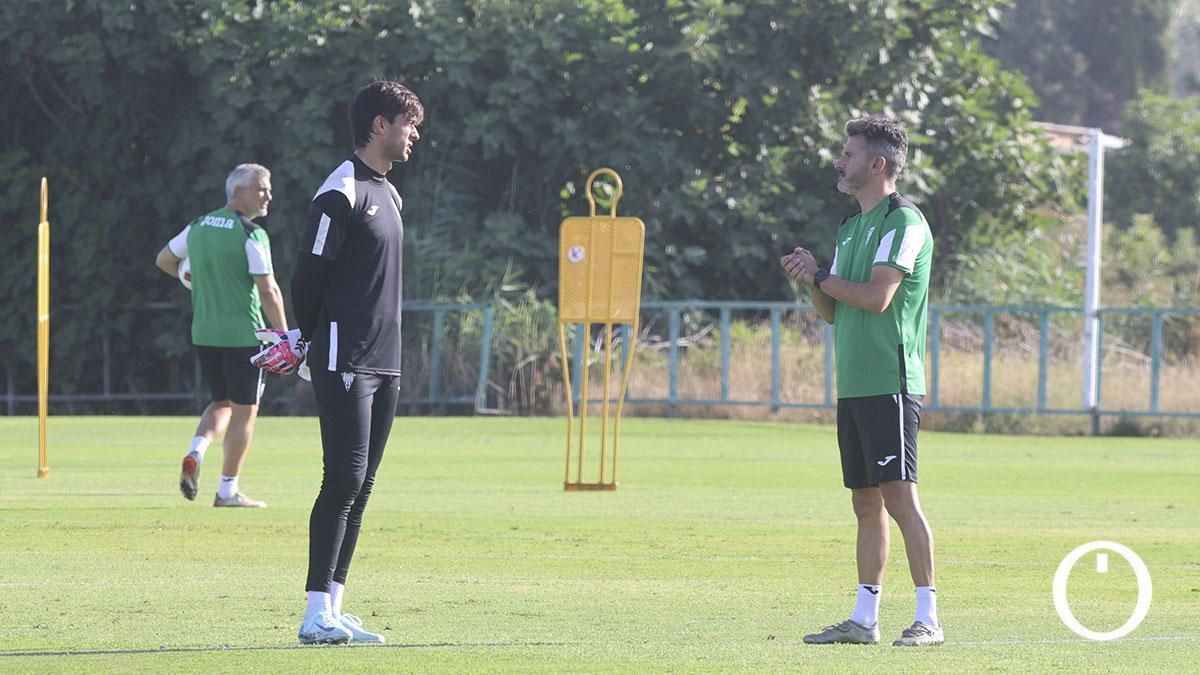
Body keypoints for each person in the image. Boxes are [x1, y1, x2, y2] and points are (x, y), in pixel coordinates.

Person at [253, 80, 423, 645]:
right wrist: (307, 340)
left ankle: (336, 606)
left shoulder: (390, 194)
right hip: (343, 356)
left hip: (385, 360)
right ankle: (312, 613)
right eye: (407, 125)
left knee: (364, 483)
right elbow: (306, 279)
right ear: (379, 125)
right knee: (343, 480)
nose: (413, 135)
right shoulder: (339, 191)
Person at [780, 117, 941, 647]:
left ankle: (928, 618)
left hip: (890, 382)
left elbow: (876, 298)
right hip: (853, 384)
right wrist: (811, 280)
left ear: (877, 164)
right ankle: (863, 620)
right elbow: (833, 312)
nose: (839, 161)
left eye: (848, 153)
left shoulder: (904, 222)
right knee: (865, 504)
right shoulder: (851, 228)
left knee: (900, 499)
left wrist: (824, 276)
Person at [155, 163, 287, 508]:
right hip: (244, 336)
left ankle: (196, 451)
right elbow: (269, 289)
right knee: (245, 412)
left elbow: (164, 260)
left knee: (221, 403)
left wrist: (191, 279)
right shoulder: (250, 233)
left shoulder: (198, 227)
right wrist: (285, 336)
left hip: (204, 334)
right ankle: (227, 490)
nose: (268, 195)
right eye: (262, 188)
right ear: (238, 192)